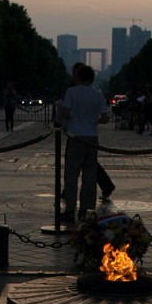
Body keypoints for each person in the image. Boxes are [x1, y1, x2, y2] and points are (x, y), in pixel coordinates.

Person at [58, 63, 108, 222]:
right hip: (92, 138)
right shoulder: (98, 95)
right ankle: (85, 209)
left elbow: (65, 112)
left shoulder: (71, 92)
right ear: (92, 79)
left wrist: (73, 117)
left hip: (75, 136)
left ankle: (70, 208)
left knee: (71, 175)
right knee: (89, 175)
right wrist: (93, 119)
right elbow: (105, 118)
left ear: (78, 77)